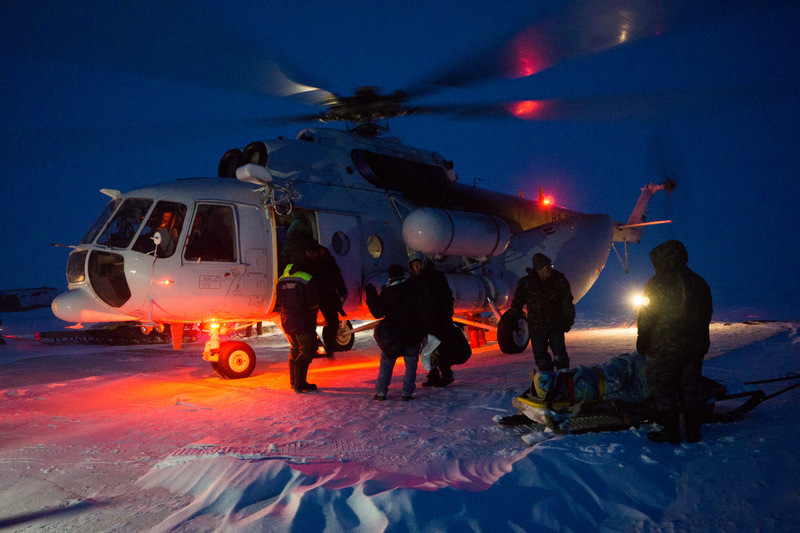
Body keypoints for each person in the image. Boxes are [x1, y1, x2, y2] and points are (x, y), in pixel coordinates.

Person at [636, 239, 712, 444]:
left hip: (664, 348)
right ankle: (693, 431)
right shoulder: (699, 282)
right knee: (690, 388)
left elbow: (647, 316)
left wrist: (642, 339)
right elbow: (707, 314)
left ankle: (671, 431)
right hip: (694, 348)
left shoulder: (656, 284)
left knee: (662, 386)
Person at [365, 264, 425, 401]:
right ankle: (406, 393)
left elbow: (377, 313)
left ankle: (381, 392)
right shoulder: (413, 289)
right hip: (412, 335)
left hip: (393, 337)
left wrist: (371, 295)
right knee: (411, 364)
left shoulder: (387, 293)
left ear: (390, 276)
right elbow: (422, 310)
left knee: (386, 363)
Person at [509, 253, 575, 372]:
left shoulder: (559, 279)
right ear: (539, 269)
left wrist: (567, 321)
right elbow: (517, 302)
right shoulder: (527, 283)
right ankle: (547, 383)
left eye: (550, 266)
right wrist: (514, 319)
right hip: (536, 329)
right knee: (541, 360)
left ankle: (564, 383)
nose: (550, 269)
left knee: (561, 359)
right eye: (547, 267)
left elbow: (567, 302)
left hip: (556, 326)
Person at [407, 251, 456, 387]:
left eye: (418, 264)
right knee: (427, 350)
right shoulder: (412, 281)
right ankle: (433, 374)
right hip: (422, 321)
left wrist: (447, 316)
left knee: (439, 348)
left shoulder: (435, 277)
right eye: (414, 265)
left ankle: (446, 374)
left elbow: (446, 297)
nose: (416, 267)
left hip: (437, 319)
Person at [276, 251, 321, 392]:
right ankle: (300, 383)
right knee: (308, 348)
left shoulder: (281, 279)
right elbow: (314, 303)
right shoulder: (306, 278)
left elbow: (279, 301)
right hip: (302, 321)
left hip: (286, 320)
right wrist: (313, 314)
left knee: (295, 348)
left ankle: (294, 381)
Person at [305, 240, 348, 337]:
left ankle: (330, 346)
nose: (310, 254)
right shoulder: (305, 262)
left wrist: (342, 292)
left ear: (317, 252)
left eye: (312, 252)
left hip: (326, 295)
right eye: (308, 252)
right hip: (312, 297)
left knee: (332, 321)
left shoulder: (327, 260)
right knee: (309, 323)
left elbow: (337, 277)